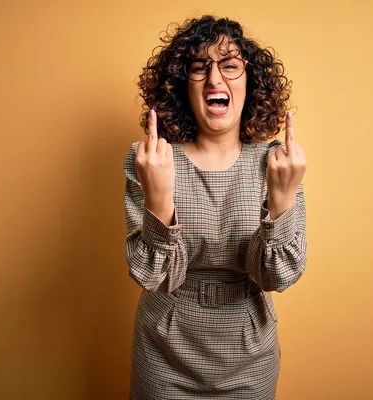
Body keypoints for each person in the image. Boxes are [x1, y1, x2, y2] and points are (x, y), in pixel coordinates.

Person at [123, 15, 307, 399]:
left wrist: (282, 201)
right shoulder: (152, 159)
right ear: (180, 86)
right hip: (163, 349)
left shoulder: (277, 163)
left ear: (250, 81)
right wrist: (158, 198)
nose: (214, 79)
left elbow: (276, 277)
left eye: (229, 65)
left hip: (248, 350)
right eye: (198, 68)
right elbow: (155, 276)